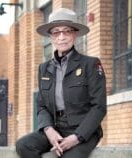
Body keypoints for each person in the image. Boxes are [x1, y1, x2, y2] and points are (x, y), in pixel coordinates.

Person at [15, 8, 107, 158]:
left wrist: (77, 137)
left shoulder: (90, 64)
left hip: (85, 131)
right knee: (24, 145)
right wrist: (49, 130)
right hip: (57, 129)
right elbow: (42, 106)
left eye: (67, 31)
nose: (62, 37)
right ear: (51, 36)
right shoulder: (44, 68)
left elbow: (99, 107)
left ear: (75, 34)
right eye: (56, 32)